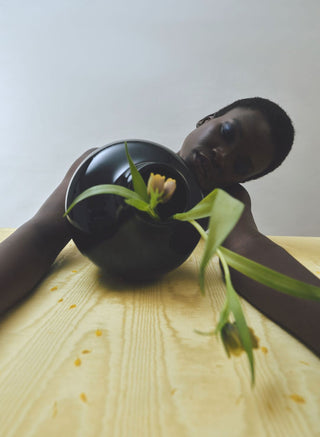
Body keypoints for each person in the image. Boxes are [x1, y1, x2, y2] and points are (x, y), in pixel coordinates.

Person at [0, 97, 319, 357]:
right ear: (206, 119)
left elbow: (247, 251)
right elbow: (42, 234)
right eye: (226, 133)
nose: (223, 155)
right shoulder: (105, 162)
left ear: (240, 181)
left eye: (239, 166)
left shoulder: (222, 199)